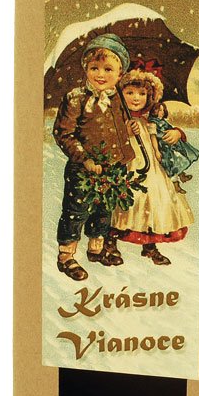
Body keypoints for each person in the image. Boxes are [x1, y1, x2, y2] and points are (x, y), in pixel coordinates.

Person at [52, 33, 134, 280]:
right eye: (94, 68)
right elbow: (63, 133)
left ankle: (96, 248)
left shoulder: (119, 99)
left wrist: (129, 133)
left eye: (108, 69)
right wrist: (84, 158)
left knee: (104, 209)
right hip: (83, 168)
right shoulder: (76, 98)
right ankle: (66, 255)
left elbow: (119, 130)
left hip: (112, 168)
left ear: (120, 74)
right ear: (86, 69)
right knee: (76, 209)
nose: (100, 74)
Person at [111, 71, 194, 265]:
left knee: (153, 199)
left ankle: (149, 245)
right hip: (127, 164)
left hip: (153, 167)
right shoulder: (116, 117)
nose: (136, 98)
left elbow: (166, 130)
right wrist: (124, 131)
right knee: (126, 200)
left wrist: (177, 133)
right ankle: (111, 241)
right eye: (130, 93)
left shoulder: (149, 119)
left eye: (142, 94)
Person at [149, 101, 199, 194]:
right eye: (159, 110)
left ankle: (182, 175)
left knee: (179, 159)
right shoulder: (152, 123)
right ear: (154, 111)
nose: (162, 112)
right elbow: (153, 136)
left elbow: (171, 129)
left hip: (171, 146)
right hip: (164, 148)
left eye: (163, 110)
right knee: (171, 165)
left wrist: (176, 132)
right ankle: (176, 186)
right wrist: (156, 150)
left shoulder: (163, 121)